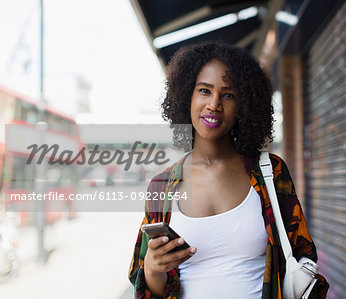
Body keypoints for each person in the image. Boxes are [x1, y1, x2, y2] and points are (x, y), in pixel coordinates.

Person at [128, 41, 327, 298]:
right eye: (204, 90)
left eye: (228, 94)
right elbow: (148, 289)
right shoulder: (161, 187)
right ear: (186, 96)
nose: (214, 104)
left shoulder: (270, 172)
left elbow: (304, 255)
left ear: (244, 107)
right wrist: (154, 269)